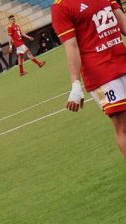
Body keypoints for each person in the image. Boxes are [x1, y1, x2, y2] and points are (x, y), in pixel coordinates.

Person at [52, 0, 126, 158]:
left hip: (123, 61)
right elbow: (71, 46)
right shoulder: (61, 7)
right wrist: (75, 84)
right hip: (101, 75)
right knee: (123, 125)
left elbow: (123, 23)